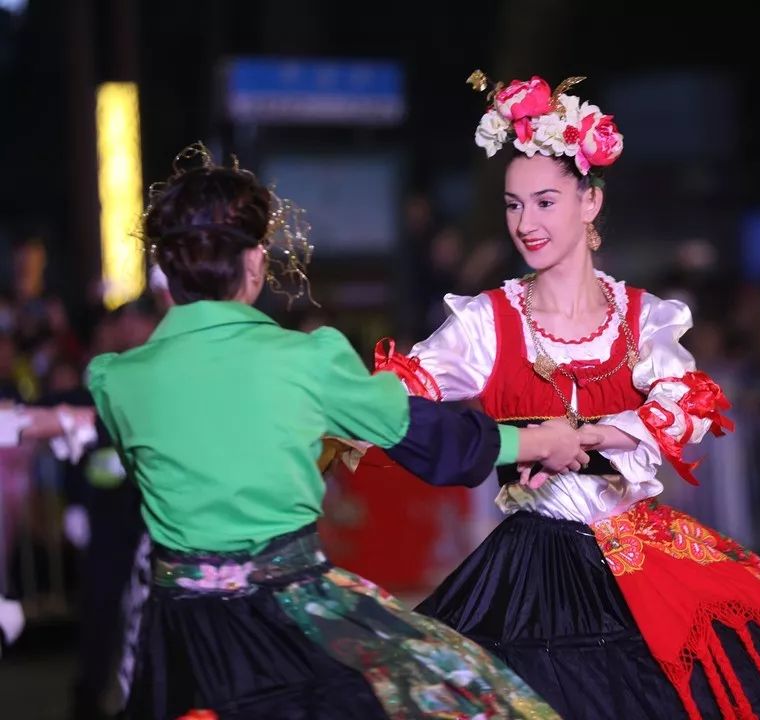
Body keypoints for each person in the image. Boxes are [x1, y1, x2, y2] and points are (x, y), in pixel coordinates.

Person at [370, 72, 760, 720]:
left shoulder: (642, 317)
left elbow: (688, 399)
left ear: (589, 202)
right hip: (534, 562)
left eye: (545, 202)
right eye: (514, 205)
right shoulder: (487, 323)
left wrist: (598, 434)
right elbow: (403, 387)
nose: (526, 223)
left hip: (643, 554)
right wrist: (342, 391)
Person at [80, 142, 590, 719]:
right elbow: (433, 441)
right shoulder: (306, 360)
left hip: (178, 638)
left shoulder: (113, 380)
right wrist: (544, 440)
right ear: (253, 264)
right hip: (287, 616)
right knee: (474, 697)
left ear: (168, 272)